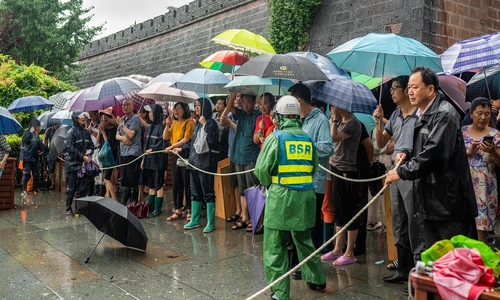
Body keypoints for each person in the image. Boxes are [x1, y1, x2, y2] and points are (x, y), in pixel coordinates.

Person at [385, 66, 478, 250]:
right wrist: (408, 155)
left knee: (454, 261)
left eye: (415, 87)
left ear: (430, 89)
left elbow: (434, 154)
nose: (409, 91)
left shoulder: (444, 114)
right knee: (435, 260)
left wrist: (402, 172)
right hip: (430, 201)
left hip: (448, 203)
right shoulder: (422, 115)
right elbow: (424, 148)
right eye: (409, 87)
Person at [254, 95, 326, 300]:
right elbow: (312, 169)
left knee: (275, 245)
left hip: (281, 196)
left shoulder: (276, 138)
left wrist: (272, 181)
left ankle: (280, 292)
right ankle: (317, 278)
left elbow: (261, 171)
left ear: (279, 116)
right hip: (306, 197)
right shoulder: (308, 139)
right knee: (304, 239)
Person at [373, 75, 424, 285]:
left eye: (396, 88)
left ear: (406, 91)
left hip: (411, 172)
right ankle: (403, 269)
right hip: (395, 172)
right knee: (398, 220)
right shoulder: (394, 115)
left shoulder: (419, 115)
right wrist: (378, 122)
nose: (392, 91)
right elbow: (382, 142)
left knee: (414, 221)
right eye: (392, 88)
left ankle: (417, 274)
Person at [288, 83, 334, 280]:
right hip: (296, 181)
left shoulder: (320, 120)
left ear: (299, 100)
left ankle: (310, 267)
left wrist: (305, 146)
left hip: (314, 183)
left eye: (291, 101)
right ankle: (296, 263)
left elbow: (327, 148)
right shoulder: (298, 120)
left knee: (311, 227)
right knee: (296, 225)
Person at [321, 104, 362, 266]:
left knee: (348, 211)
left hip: (347, 170)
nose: (332, 109)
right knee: (338, 211)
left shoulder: (353, 123)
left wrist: (334, 121)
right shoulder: (344, 122)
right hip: (335, 168)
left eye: (334, 106)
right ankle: (338, 248)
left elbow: (334, 138)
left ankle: (350, 252)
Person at [176, 98, 219, 232]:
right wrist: (181, 149)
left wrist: (205, 124)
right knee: (194, 191)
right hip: (194, 162)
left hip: (206, 164)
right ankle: (194, 219)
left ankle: (210, 222)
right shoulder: (198, 124)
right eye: (195, 105)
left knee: (208, 191)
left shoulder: (211, 123)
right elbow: (194, 143)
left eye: (199, 105)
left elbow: (212, 141)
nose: (197, 108)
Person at [462, 97, 500, 243]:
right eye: (479, 113)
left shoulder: (495, 135)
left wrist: (493, 152)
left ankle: (479, 262)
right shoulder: (462, 132)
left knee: (481, 230)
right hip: (466, 185)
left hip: (486, 188)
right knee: (465, 226)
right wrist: (469, 152)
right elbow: (454, 159)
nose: (483, 117)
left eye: (487, 113)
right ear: (471, 114)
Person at [224, 92, 261, 232]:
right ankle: (244, 217)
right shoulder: (241, 114)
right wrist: (234, 93)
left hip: (251, 157)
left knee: (252, 189)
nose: (244, 104)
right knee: (242, 190)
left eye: (247, 101)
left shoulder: (258, 116)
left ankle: (253, 218)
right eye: (243, 101)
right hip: (238, 156)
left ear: (253, 101)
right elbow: (229, 108)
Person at [163, 102, 194, 220]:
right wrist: (167, 125)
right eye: (175, 109)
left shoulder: (189, 123)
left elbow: (186, 139)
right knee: (176, 183)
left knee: (187, 182)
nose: (176, 111)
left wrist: (171, 147)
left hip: (184, 154)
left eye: (179, 108)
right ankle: (178, 209)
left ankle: (189, 209)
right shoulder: (174, 123)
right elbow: (165, 137)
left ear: (185, 110)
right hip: (175, 155)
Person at [64, 111, 94, 215]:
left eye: (85, 115)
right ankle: (68, 209)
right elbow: (70, 149)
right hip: (71, 165)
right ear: (76, 118)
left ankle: (78, 209)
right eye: (81, 116)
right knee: (71, 188)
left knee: (82, 188)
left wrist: (89, 152)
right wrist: (82, 156)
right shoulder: (71, 132)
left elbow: (91, 145)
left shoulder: (86, 132)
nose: (84, 117)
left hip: (82, 165)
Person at [141, 104, 168, 218]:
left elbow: (163, 143)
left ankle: (158, 209)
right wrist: (143, 159)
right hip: (149, 161)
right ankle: (150, 207)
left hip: (158, 161)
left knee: (158, 185)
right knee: (151, 185)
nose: (149, 114)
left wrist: (153, 150)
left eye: (151, 112)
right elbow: (146, 144)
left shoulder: (162, 127)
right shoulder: (150, 127)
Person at [115, 98, 142, 206]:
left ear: (132, 106)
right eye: (124, 105)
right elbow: (116, 135)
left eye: (128, 105)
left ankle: (133, 202)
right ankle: (125, 201)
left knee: (132, 179)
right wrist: (122, 138)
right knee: (125, 178)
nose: (125, 107)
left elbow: (131, 134)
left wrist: (121, 125)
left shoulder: (135, 119)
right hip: (123, 152)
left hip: (133, 153)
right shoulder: (121, 119)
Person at [97, 109, 118, 200]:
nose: (103, 122)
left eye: (105, 120)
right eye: (102, 120)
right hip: (103, 155)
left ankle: (114, 197)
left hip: (110, 155)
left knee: (106, 178)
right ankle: (108, 196)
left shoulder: (113, 130)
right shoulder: (102, 129)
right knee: (106, 177)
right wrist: (99, 131)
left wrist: (103, 132)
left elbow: (108, 143)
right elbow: (98, 141)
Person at [20, 118, 44, 196]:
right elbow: (25, 141)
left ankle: (36, 188)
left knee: (36, 174)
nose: (39, 128)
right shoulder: (27, 133)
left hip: (35, 157)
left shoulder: (36, 134)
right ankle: (24, 189)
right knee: (26, 174)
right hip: (27, 157)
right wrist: (30, 132)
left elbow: (39, 144)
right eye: (38, 126)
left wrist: (44, 149)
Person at [43, 125, 59, 189]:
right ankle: (52, 183)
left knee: (59, 167)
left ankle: (59, 183)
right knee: (51, 168)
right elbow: (45, 140)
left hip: (59, 151)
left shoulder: (61, 129)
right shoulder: (49, 130)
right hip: (51, 151)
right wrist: (44, 148)